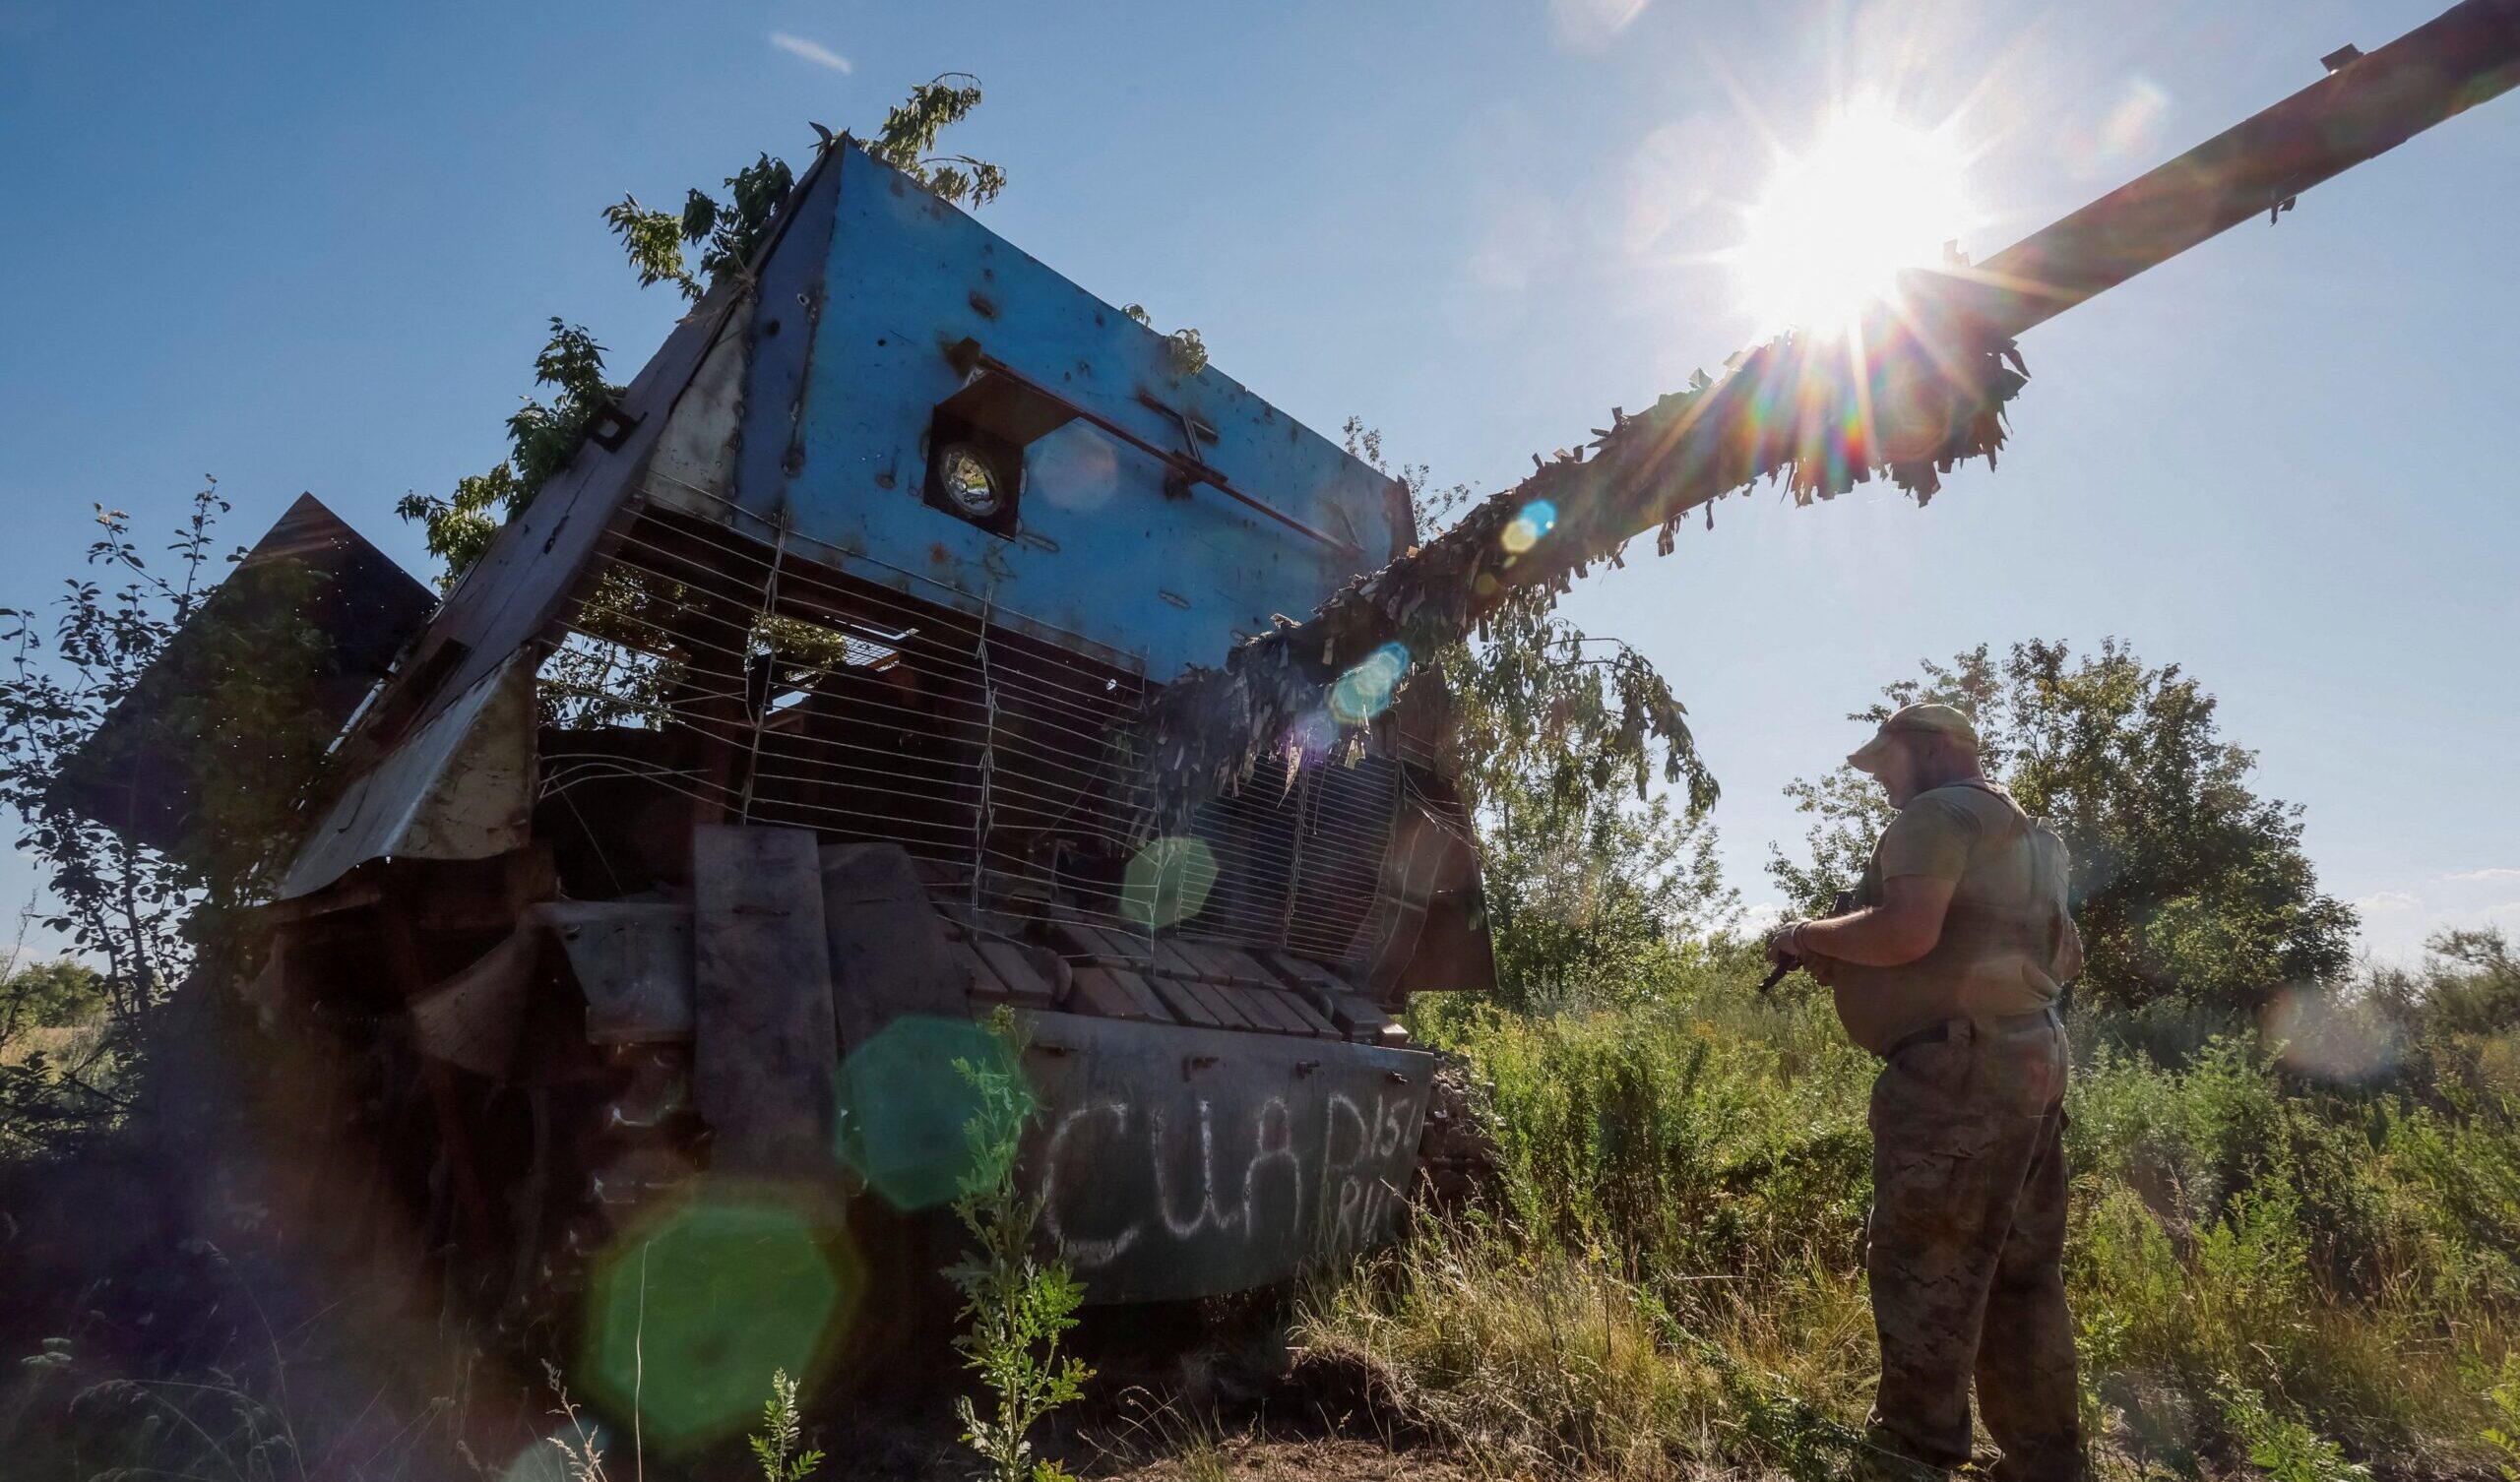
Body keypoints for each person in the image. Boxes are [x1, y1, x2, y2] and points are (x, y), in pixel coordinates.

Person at [1765, 702, 2086, 1481]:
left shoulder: (1934, 817)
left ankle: (1909, 1458)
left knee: (1926, 1272)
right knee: (2020, 1274)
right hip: (2032, 1061)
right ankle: (2046, 1463)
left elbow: (1907, 932)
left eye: (1888, 763)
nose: (1881, 783)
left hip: (1958, 1077)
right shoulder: (2035, 836)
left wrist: (1808, 935)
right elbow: (2067, 955)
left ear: (1936, 749)